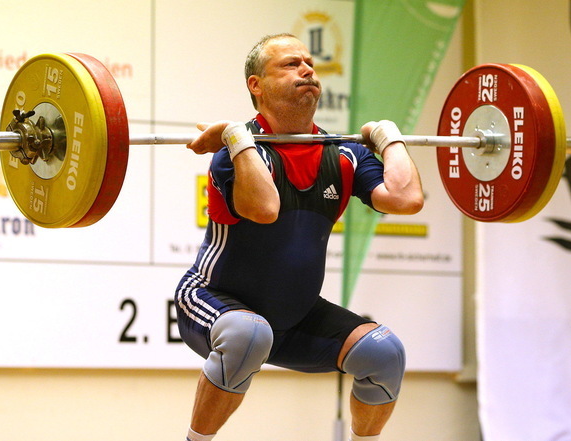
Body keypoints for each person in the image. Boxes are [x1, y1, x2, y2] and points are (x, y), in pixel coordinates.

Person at [176, 33, 424, 441]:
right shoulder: (233, 153)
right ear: (256, 85)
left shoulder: (344, 154)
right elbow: (264, 208)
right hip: (212, 301)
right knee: (248, 334)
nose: (307, 69)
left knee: (384, 353)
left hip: (293, 317)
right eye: (290, 64)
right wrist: (238, 138)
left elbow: (406, 198)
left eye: (309, 63)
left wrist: (389, 137)